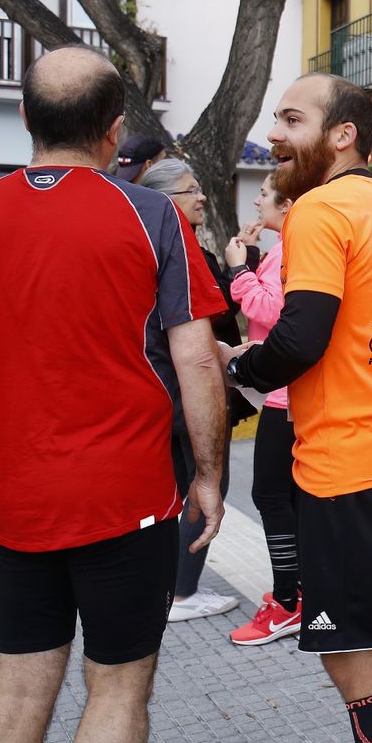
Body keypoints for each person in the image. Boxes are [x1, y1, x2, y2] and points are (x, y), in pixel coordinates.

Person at [0, 46, 228, 743]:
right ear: (114, 131)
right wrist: (209, 475)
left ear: (25, 120)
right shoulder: (152, 217)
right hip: (127, 500)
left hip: (11, 501)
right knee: (117, 690)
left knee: (16, 692)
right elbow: (200, 363)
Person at [224, 72, 372, 743]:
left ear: (342, 134)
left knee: (351, 657)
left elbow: (299, 336)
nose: (275, 135)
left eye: (290, 119)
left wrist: (236, 365)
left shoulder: (319, 210)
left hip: (349, 462)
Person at [138, 157, 250, 623]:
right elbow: (200, 335)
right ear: (167, 201)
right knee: (207, 484)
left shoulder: (152, 245)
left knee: (178, 486)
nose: (202, 196)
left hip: (162, 388)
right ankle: (183, 592)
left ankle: (169, 585)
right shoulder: (178, 249)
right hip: (189, 390)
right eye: (191, 190)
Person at [222, 172, 303, 645]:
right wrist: (251, 260)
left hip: (283, 394)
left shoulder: (293, 248)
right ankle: (296, 592)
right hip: (283, 391)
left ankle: (290, 600)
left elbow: (272, 312)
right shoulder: (284, 246)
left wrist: (238, 270)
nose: (256, 200)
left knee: (271, 495)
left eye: (264, 194)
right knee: (285, 497)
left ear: (287, 205)